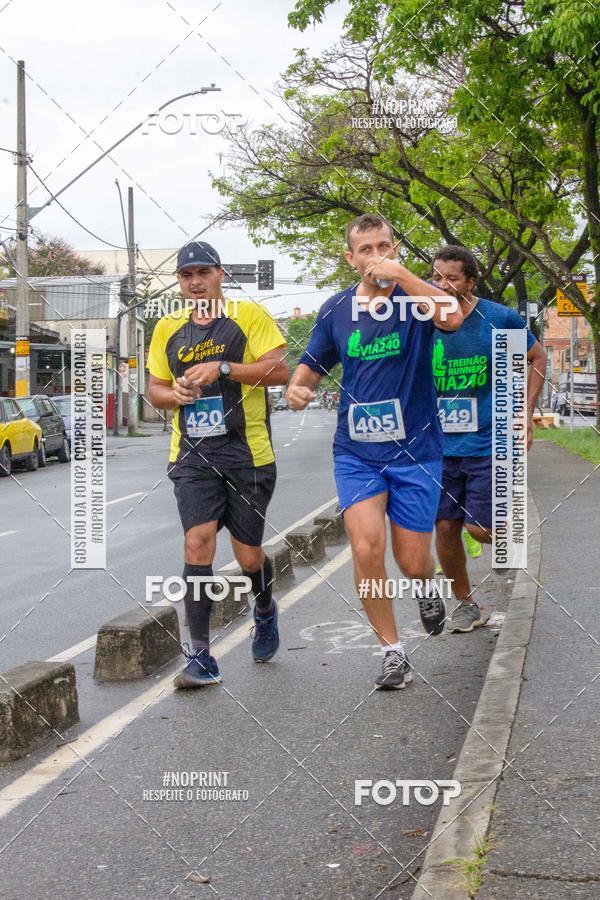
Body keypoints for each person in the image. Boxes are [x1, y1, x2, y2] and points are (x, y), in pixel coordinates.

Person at [286, 213, 463, 690]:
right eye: (365, 249)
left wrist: (403, 275)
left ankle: (426, 587)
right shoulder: (335, 309)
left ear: (396, 248)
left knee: (412, 562)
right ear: (350, 258)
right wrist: (297, 390)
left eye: (383, 245)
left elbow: (453, 316)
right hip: (356, 452)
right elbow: (308, 369)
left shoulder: (415, 298)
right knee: (366, 546)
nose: (375, 256)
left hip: (417, 451)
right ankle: (392, 650)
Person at [147, 240, 288, 687]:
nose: (195, 282)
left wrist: (224, 368)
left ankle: (263, 608)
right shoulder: (167, 327)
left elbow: (279, 371)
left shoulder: (249, 317)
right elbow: (156, 390)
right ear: (179, 282)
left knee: (248, 555)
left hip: (247, 455)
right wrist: (177, 396)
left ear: (220, 275)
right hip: (192, 454)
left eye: (203, 273)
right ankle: (202, 656)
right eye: (187, 276)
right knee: (197, 542)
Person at [431, 245, 547, 633]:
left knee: (479, 529)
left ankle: (506, 531)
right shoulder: (423, 322)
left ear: (471, 282)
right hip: (439, 447)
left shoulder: (498, 320)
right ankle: (466, 604)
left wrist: (524, 413)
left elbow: (537, 358)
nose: (442, 286)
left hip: (488, 441)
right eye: (436, 277)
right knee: (445, 527)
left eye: (452, 278)